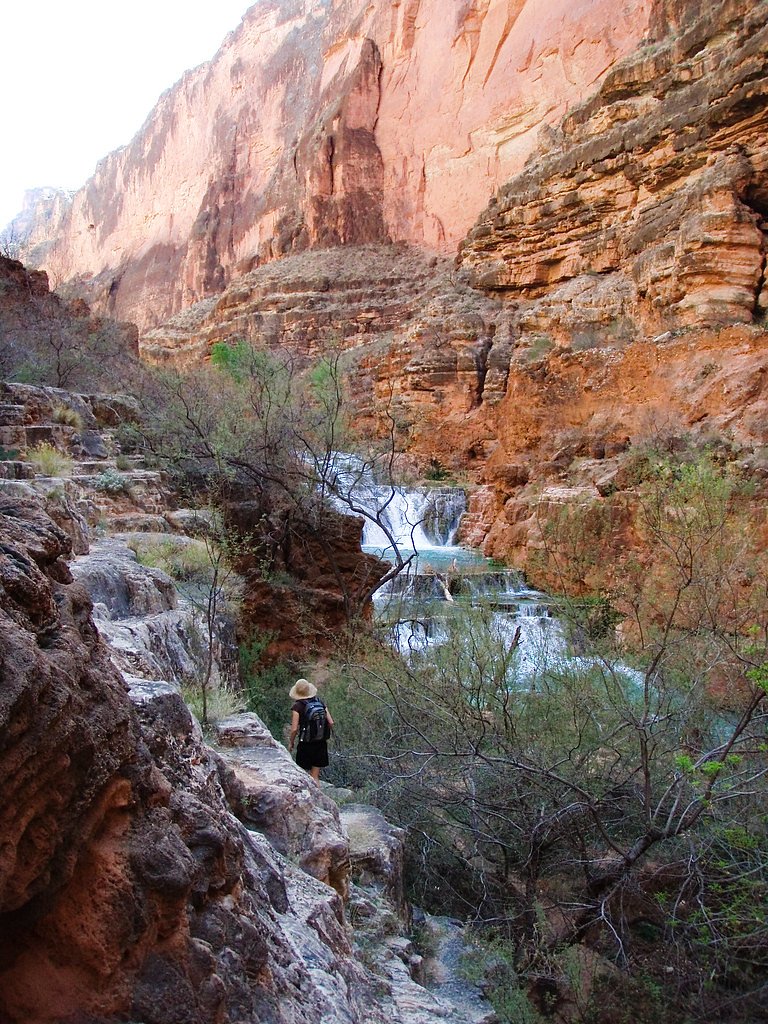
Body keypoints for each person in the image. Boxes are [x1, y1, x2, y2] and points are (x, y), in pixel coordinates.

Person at [288, 678, 334, 784]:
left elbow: (294, 729)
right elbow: (331, 722)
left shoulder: (297, 706)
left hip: (305, 744)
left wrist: (291, 743)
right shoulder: (320, 702)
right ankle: (317, 799)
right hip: (321, 744)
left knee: (302, 775)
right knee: (314, 776)